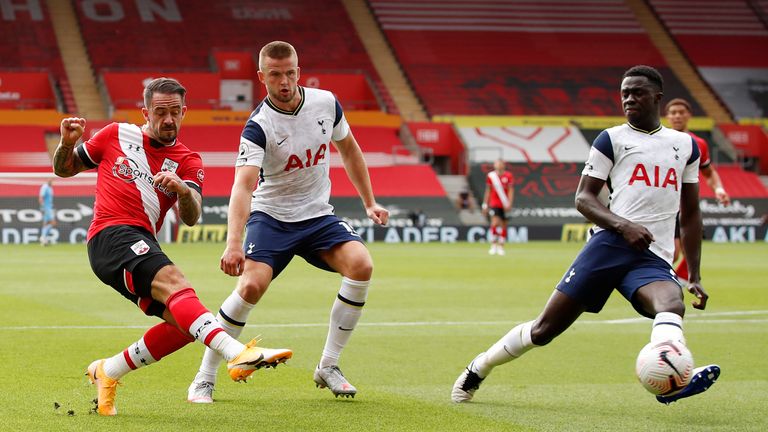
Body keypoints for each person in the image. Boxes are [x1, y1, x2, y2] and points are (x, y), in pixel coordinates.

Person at [452, 65, 720, 405]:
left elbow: (692, 212)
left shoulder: (686, 146)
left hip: (652, 254)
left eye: (636, 92)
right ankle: (478, 367)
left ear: (657, 97)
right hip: (608, 246)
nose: (628, 99)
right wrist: (623, 225)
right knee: (542, 331)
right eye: (624, 93)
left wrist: (694, 274)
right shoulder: (612, 139)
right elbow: (583, 197)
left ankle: (671, 380)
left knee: (671, 305)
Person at [52, 77, 292, 416]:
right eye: (160, 112)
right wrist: (66, 143)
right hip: (110, 234)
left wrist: (182, 191)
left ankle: (109, 370)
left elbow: (191, 216)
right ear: (146, 112)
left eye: (175, 112)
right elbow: (64, 169)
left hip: (142, 240)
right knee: (177, 284)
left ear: (184, 112)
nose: (168, 119)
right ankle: (236, 352)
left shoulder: (188, 160)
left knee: (184, 327)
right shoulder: (115, 135)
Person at [186, 41, 389, 403]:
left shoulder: (326, 103)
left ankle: (329, 365)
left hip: (317, 216)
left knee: (361, 265)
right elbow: (242, 187)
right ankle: (204, 376)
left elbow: (350, 149)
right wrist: (233, 243)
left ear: (299, 69)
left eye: (290, 72)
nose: (285, 81)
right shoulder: (258, 127)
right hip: (272, 218)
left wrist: (369, 202)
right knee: (250, 288)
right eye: (276, 74)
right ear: (262, 77)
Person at [665, 98, 731, 282]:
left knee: (690, 250)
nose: (677, 116)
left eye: (681, 112)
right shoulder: (658, 140)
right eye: (673, 112)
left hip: (686, 204)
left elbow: (709, 173)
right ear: (667, 117)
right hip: (663, 202)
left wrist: (719, 189)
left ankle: (678, 283)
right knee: (674, 253)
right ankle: (663, 284)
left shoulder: (698, 143)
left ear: (689, 116)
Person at [482, 158, 514, 255]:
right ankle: (493, 245)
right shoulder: (491, 176)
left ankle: (501, 246)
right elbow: (488, 191)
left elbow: (511, 190)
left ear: (503, 165)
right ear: (495, 165)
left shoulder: (508, 176)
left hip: (504, 203)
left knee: (504, 224)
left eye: (500, 163)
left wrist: (509, 203)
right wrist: (485, 204)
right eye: (497, 163)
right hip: (494, 203)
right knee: (495, 222)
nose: (499, 165)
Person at [39, 179, 56, 245]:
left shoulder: (50, 188)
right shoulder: (45, 187)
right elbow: (41, 197)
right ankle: (43, 237)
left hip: (49, 207)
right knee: (53, 223)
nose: (52, 182)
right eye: (51, 180)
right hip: (46, 208)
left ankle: (43, 238)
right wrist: (43, 208)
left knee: (46, 223)